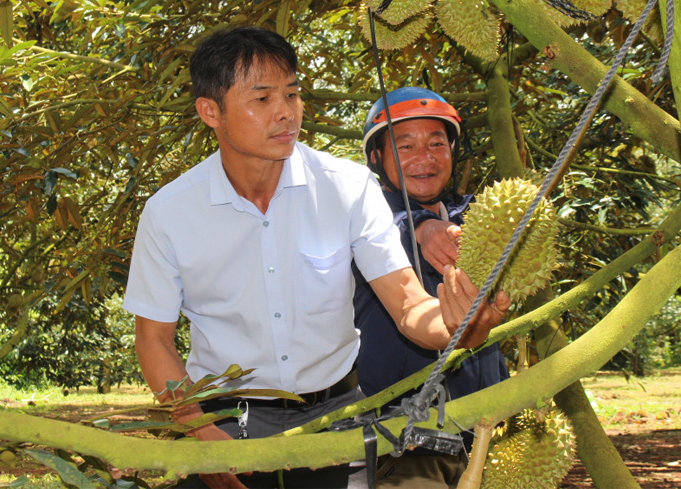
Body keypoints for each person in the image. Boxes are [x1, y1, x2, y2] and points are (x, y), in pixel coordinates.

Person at [122, 28, 509, 489]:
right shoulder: (171, 212)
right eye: (262, 98)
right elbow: (154, 341)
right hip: (224, 421)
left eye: (292, 93)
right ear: (211, 112)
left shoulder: (346, 188)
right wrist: (201, 433)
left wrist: (457, 327)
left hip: (335, 419)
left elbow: (409, 305)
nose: (286, 112)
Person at [354, 87, 509, 488]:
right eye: (405, 146)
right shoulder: (362, 223)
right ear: (376, 158)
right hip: (405, 443)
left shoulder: (478, 215)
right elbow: (391, 229)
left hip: (483, 431)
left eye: (437, 143)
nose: (425, 158)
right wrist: (420, 226)